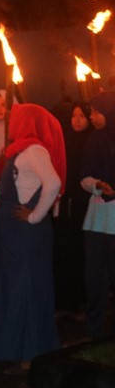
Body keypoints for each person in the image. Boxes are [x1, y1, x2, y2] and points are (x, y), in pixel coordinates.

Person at [0, 103, 64, 374]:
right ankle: (17, 349)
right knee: (16, 288)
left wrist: (34, 216)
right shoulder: (20, 151)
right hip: (14, 235)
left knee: (26, 290)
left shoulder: (34, 150)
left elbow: (53, 183)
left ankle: (30, 356)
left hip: (26, 236)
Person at [80, 92, 115, 340]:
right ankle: (93, 332)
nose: (91, 117)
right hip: (98, 220)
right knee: (94, 278)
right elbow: (84, 177)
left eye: (96, 111)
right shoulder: (94, 140)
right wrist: (97, 184)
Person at [54, 102, 91, 318]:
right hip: (66, 203)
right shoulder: (65, 140)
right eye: (74, 115)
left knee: (81, 252)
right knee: (65, 250)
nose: (76, 120)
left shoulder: (92, 142)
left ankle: (82, 301)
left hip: (85, 203)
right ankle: (66, 302)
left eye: (81, 116)